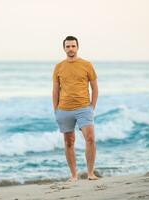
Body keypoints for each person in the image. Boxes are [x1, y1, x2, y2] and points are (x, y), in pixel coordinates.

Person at [52, 36, 99, 181]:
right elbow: (55, 91)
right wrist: (56, 110)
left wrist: (92, 107)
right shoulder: (59, 67)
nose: (70, 49)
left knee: (90, 139)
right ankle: (74, 175)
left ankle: (90, 173)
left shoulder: (87, 64)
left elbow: (95, 88)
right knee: (69, 142)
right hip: (64, 109)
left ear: (77, 47)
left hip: (84, 107)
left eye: (73, 46)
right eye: (68, 46)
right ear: (64, 48)